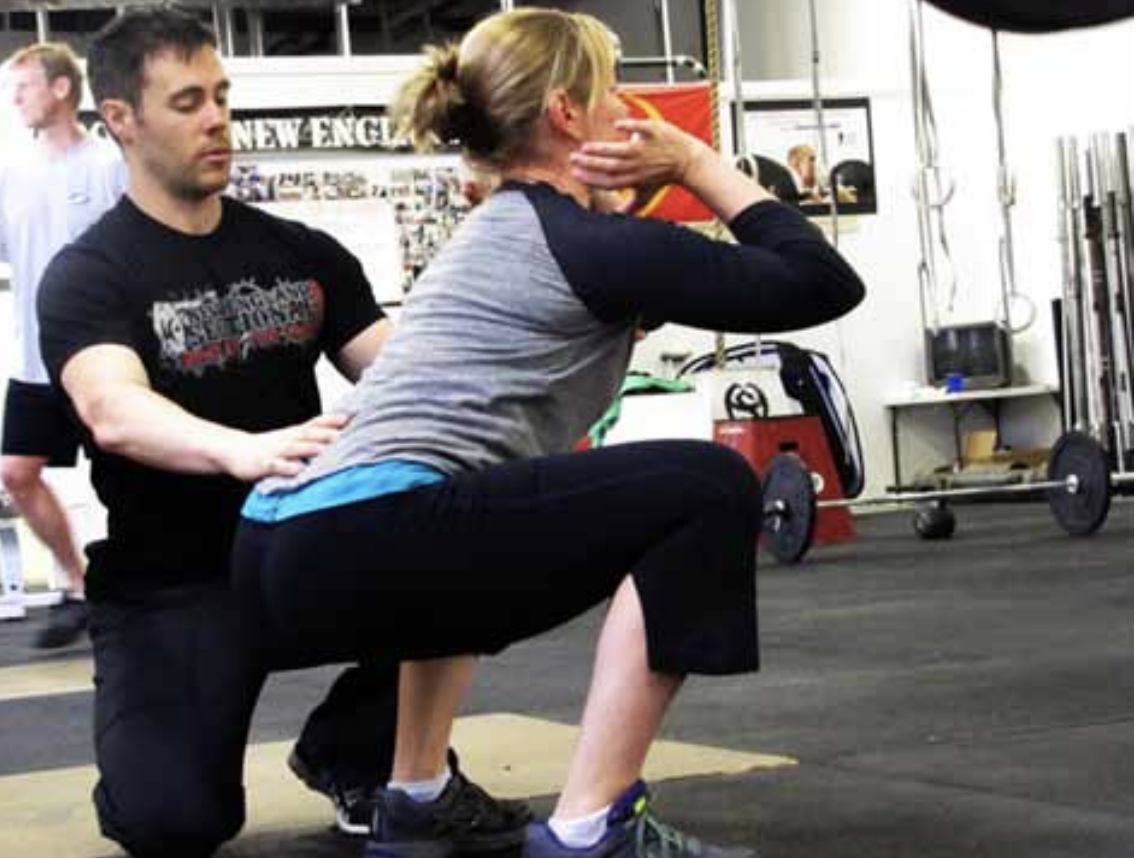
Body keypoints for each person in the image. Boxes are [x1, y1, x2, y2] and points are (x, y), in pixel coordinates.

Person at [232, 8, 865, 858]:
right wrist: (695, 158)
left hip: (279, 548)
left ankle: (415, 795)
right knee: (705, 487)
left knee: (474, 504)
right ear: (568, 113)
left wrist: (632, 201)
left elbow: (626, 292)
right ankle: (591, 827)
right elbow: (820, 283)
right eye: (613, 94)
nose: (629, 113)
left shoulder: (501, 234)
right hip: (367, 538)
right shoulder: (586, 244)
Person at [35, 8, 526, 857]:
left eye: (222, 95)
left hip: (304, 555)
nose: (218, 118)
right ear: (120, 118)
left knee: (478, 538)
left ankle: (357, 752)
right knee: (173, 825)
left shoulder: (302, 251)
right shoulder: (92, 273)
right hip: (174, 585)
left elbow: (401, 371)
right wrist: (245, 450)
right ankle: (157, 755)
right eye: (188, 101)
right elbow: (113, 409)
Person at [0, 42, 124, 645]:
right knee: (16, 473)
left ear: (58, 89)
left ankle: (137, 589)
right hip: (33, 361)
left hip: (102, 359)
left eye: (22, 88)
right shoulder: (10, 174)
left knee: (130, 480)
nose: (14, 100)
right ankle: (76, 586)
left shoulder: (108, 165)